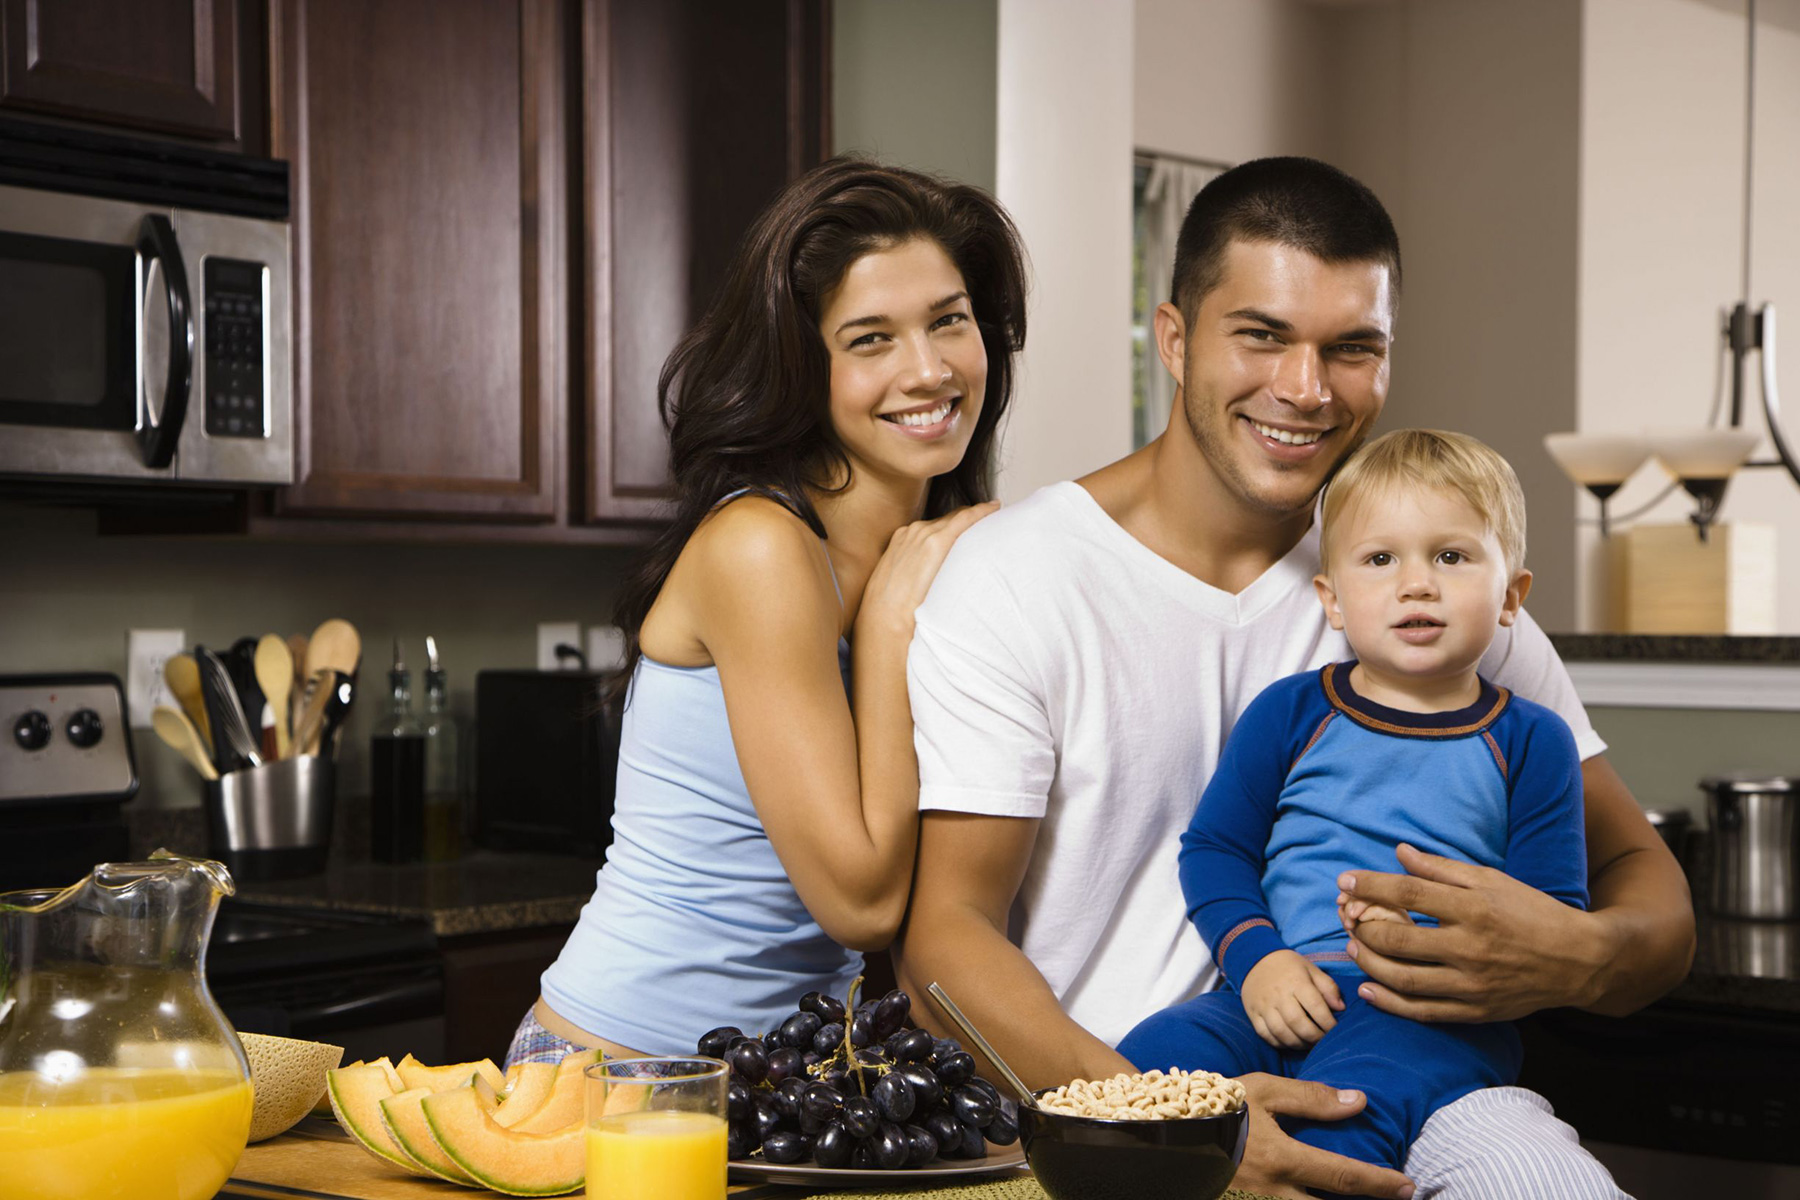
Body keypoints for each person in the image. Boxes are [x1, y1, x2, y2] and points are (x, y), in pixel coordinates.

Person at [894, 157, 1693, 1200]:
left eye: (1351, 348)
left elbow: (1653, 897)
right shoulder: (1020, 578)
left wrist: (1577, 957)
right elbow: (943, 947)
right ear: (1176, 340)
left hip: (1429, 1082)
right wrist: (1175, 1133)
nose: (1307, 390)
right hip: (1119, 1092)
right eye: (1263, 335)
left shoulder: (1425, 581)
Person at [504, 158, 1027, 1066]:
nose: (930, 368)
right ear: (802, 363)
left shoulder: (940, 548)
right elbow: (859, 903)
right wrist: (891, 631)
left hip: (782, 1086)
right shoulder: (763, 547)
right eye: (870, 339)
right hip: (617, 1079)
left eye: (949, 320)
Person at [1117, 428, 1590, 1182]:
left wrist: (1427, 940)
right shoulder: (1290, 714)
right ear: (1331, 600)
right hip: (1274, 990)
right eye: (1380, 559)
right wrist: (1259, 959)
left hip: (1431, 1021)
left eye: (1451, 556)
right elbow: (1215, 851)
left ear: (1511, 598)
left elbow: (1550, 916)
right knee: (1144, 1071)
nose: (1417, 584)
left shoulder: (1534, 741)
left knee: (1342, 1120)